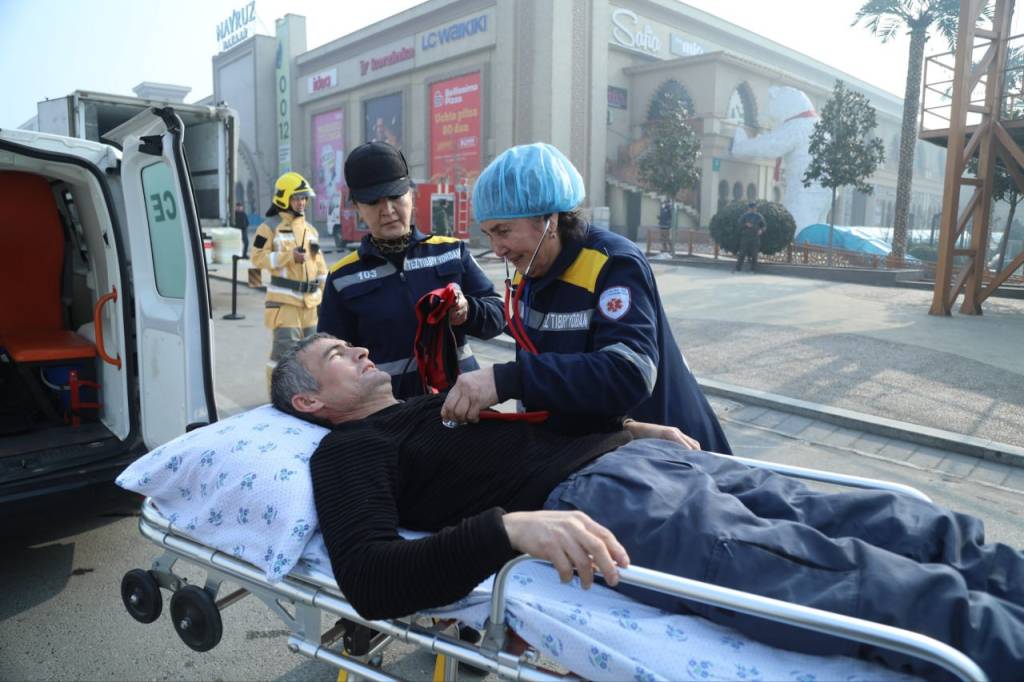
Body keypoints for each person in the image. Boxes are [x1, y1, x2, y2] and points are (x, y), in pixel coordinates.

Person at [270, 333, 1024, 681]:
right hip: (609, 503)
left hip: (647, 459)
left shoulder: (430, 402)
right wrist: (509, 531)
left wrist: (633, 428)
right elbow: (370, 577)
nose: (361, 352)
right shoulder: (351, 451)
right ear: (309, 401)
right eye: (337, 355)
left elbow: (531, 434)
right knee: (845, 579)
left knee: (895, 520)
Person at [442, 143, 731, 453]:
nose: (497, 249)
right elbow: (535, 336)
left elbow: (629, 372)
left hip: (666, 450)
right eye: (488, 234)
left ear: (550, 220)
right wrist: (469, 312)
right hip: (592, 445)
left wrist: (507, 380)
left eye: (503, 231)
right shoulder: (529, 266)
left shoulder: (613, 263)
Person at [317, 141, 504, 398]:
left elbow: (498, 316)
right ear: (357, 207)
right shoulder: (342, 278)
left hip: (461, 402)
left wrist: (467, 311)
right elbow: (330, 358)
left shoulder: (452, 251)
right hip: (389, 410)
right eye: (373, 202)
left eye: (395, 196)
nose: (387, 211)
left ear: (411, 195)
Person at [250, 172, 328, 388]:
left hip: (311, 304)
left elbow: (320, 266)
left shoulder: (310, 230)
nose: (302, 203)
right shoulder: (268, 227)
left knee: (312, 354)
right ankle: (277, 397)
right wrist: (288, 256)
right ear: (284, 198)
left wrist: (326, 295)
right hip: (285, 305)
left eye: (304, 198)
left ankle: (305, 394)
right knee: (283, 358)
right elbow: (256, 258)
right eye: (297, 198)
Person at [736, 201, 766, 272]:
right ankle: (738, 267)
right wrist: (745, 225)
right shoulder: (744, 216)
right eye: (751, 208)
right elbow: (739, 225)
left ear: (756, 208)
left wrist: (761, 230)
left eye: (754, 208)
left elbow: (764, 226)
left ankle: (753, 268)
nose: (753, 209)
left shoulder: (759, 216)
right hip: (745, 237)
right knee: (742, 252)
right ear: (749, 208)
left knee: (754, 253)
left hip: (755, 237)